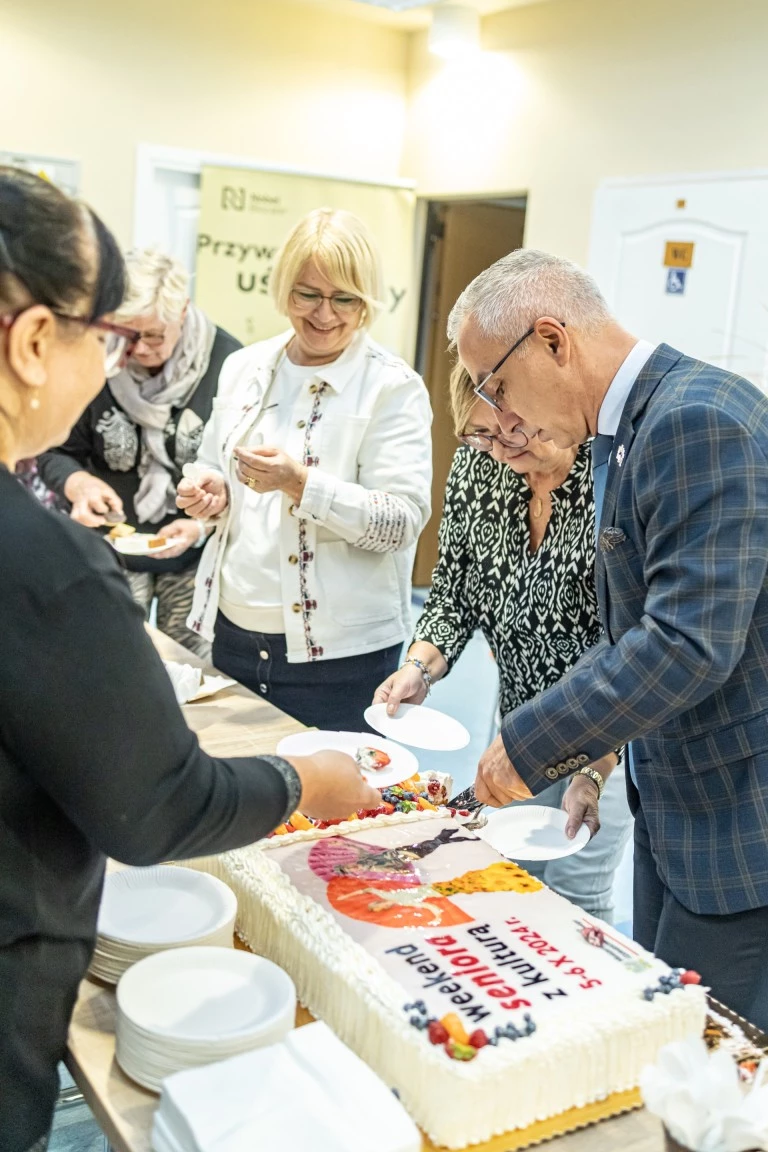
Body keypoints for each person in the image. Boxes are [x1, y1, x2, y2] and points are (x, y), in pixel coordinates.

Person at [0, 168, 380, 1152]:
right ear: (37, 343)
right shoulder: (42, 565)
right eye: (102, 336)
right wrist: (306, 778)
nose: (110, 364)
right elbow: (156, 804)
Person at [451, 248, 768, 1030]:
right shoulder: (628, 430)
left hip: (741, 828)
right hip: (680, 806)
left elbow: (686, 644)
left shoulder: (697, 420)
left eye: (496, 384)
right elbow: (628, 628)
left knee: (707, 1063)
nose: (503, 415)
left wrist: (529, 745)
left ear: (552, 341)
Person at [373, 363, 630, 919]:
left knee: (577, 898)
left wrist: (595, 767)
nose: (498, 450)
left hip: (611, 731)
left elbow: (636, 646)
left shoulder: (611, 477)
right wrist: (419, 666)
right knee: (509, 877)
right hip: (518, 722)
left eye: (511, 432)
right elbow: (454, 594)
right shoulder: (479, 466)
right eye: (478, 434)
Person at [177, 208, 432, 730]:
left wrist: (300, 484)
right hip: (235, 636)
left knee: (330, 808)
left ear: (369, 301)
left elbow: (402, 522)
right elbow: (212, 464)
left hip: (339, 659)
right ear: (282, 289)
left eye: (345, 299)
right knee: (241, 800)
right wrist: (211, 490)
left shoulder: (391, 387)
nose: (324, 314)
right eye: (306, 294)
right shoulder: (244, 367)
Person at [38, 249, 241, 657]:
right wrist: (78, 483)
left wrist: (201, 528)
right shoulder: (97, 357)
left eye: (153, 336)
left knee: (192, 677)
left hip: (194, 558)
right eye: (126, 334)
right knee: (106, 663)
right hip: (107, 553)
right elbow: (52, 448)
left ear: (182, 311)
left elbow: (242, 473)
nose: (138, 349)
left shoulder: (231, 365)